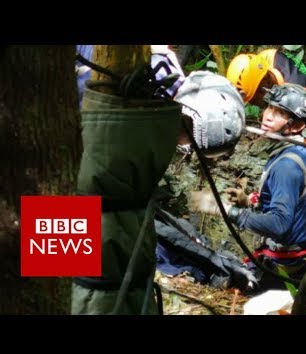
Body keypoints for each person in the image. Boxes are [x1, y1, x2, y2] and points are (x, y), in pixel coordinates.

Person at [72, 70, 246, 315]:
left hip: (82, 191)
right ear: (189, 114)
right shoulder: (134, 90)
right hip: (68, 181)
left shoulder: (157, 90)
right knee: (58, 282)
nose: (178, 143)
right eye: (186, 135)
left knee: (64, 283)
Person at [191, 83, 306, 292]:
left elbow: (279, 224)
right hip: (299, 257)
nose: (267, 115)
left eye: (279, 113)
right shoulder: (300, 152)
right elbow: (293, 203)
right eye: (269, 107)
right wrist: (248, 201)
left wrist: (223, 210)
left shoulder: (286, 167)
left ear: (296, 126)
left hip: (282, 267)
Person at [227, 48, 306, 132]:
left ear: (263, 87)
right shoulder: (267, 58)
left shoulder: (302, 94)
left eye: (253, 100)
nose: (252, 104)